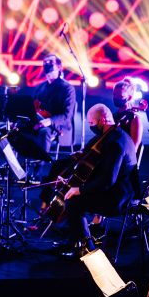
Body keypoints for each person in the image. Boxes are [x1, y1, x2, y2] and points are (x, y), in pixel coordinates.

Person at [56, 104, 137, 252]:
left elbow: (108, 181)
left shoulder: (115, 143)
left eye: (92, 123)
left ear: (103, 120)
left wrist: (79, 189)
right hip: (117, 190)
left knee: (73, 202)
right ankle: (75, 241)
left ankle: (88, 247)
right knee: (74, 197)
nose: (90, 127)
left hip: (117, 197)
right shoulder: (115, 134)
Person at [10, 53, 76, 160]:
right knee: (14, 131)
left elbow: (67, 116)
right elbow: (32, 108)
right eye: (45, 63)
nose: (47, 64)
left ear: (59, 67)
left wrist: (49, 121)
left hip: (57, 126)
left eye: (51, 62)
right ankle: (19, 167)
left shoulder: (68, 88)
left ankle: (40, 165)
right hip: (38, 123)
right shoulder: (40, 88)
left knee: (44, 132)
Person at [112, 77, 147, 153]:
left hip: (124, 160)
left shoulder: (134, 119)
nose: (115, 98)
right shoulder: (113, 116)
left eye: (120, 96)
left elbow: (133, 149)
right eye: (114, 95)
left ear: (129, 97)